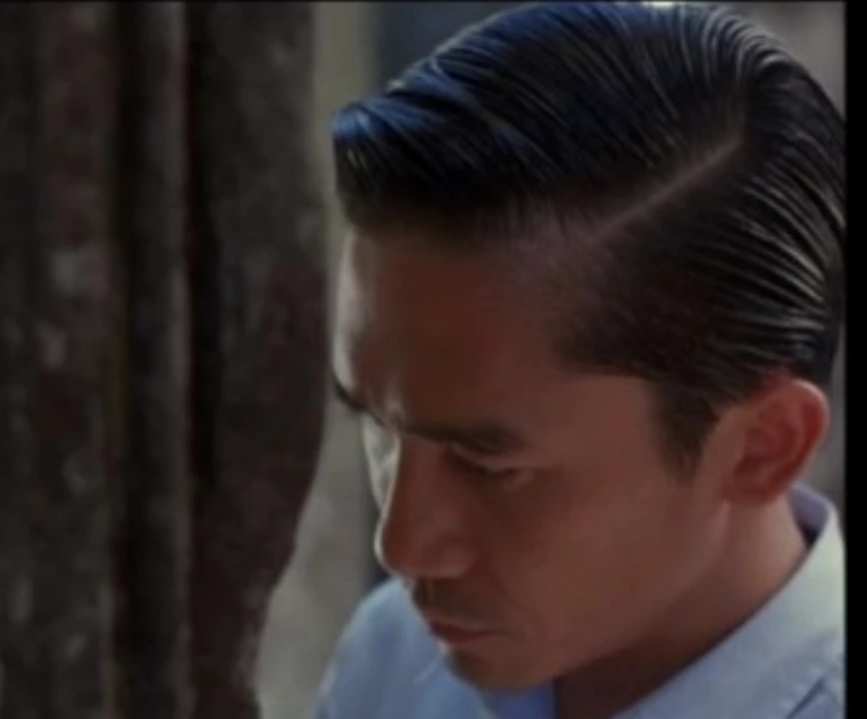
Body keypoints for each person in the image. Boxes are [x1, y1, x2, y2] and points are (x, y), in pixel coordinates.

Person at [313, 3, 844, 718]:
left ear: (762, 446)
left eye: (488, 466)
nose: (402, 545)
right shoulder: (394, 658)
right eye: (377, 423)